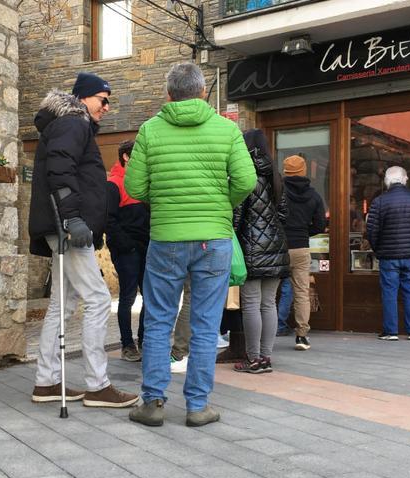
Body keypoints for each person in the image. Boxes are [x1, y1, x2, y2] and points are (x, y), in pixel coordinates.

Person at [125, 62, 256, 427]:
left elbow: (135, 188)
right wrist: (220, 203)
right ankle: (197, 406)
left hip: (166, 238)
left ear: (168, 95)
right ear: (203, 93)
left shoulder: (150, 130)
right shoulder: (227, 129)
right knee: (204, 324)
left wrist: (166, 200)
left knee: (158, 321)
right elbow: (246, 181)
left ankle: (152, 403)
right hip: (213, 239)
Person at [28, 72, 138, 408]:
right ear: (84, 97)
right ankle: (97, 385)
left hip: (64, 224)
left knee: (65, 303)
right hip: (67, 227)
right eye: (103, 99)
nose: (106, 107)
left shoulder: (71, 124)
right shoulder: (74, 123)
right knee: (99, 299)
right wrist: (73, 218)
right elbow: (59, 171)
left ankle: (47, 382)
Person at [233, 129, 289, 373]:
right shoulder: (276, 175)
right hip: (276, 247)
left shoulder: (245, 175)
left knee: (252, 304)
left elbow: (236, 218)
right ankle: (266, 358)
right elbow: (284, 213)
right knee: (269, 305)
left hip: (251, 247)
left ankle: (253, 359)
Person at [366, 166, 410, 341]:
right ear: (405, 179)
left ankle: (391, 332)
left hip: (388, 256)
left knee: (389, 292)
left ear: (387, 181)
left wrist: (378, 250)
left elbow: (372, 231)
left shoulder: (380, 201)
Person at [106, 140, 150, 362]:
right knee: (128, 297)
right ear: (126, 157)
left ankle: (144, 340)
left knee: (150, 297)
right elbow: (109, 221)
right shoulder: (114, 183)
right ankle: (127, 344)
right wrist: (127, 245)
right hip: (127, 250)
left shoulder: (142, 183)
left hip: (147, 247)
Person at [280, 155, 325, 350]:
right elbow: (320, 225)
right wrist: (304, 232)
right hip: (301, 247)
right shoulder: (314, 195)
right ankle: (301, 336)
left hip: (278, 248)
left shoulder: (278, 192)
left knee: (269, 292)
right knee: (301, 293)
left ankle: (265, 335)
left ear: (285, 171)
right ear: (304, 171)